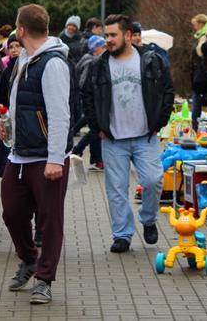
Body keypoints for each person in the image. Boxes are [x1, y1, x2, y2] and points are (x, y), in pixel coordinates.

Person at [0, 4, 72, 305]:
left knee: (49, 221)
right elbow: (20, 105)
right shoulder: (23, 59)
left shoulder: (52, 63)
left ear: (22, 30)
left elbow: (59, 114)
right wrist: (7, 126)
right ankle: (29, 260)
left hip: (46, 157)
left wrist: (56, 158)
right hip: (19, 154)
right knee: (12, 212)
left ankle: (44, 279)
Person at [83, 14, 174, 254]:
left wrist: (160, 121)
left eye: (113, 35)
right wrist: (98, 127)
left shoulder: (151, 60)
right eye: (106, 36)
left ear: (127, 35)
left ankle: (148, 219)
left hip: (146, 136)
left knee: (154, 181)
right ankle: (122, 234)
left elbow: (167, 91)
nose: (109, 40)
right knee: (116, 189)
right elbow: (87, 96)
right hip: (113, 139)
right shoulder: (99, 65)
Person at [72, 35, 107, 169]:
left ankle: (96, 159)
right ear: (96, 49)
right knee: (96, 131)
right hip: (93, 102)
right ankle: (78, 149)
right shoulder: (91, 62)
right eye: (103, 47)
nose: (106, 49)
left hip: (95, 102)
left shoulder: (92, 59)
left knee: (95, 131)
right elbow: (84, 83)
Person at [190, 14, 207, 128]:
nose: (194, 28)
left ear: (200, 24)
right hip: (200, 75)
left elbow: (202, 59)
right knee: (197, 105)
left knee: (197, 105)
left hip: (201, 77)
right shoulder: (203, 36)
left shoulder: (204, 37)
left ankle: (195, 129)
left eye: (195, 25)